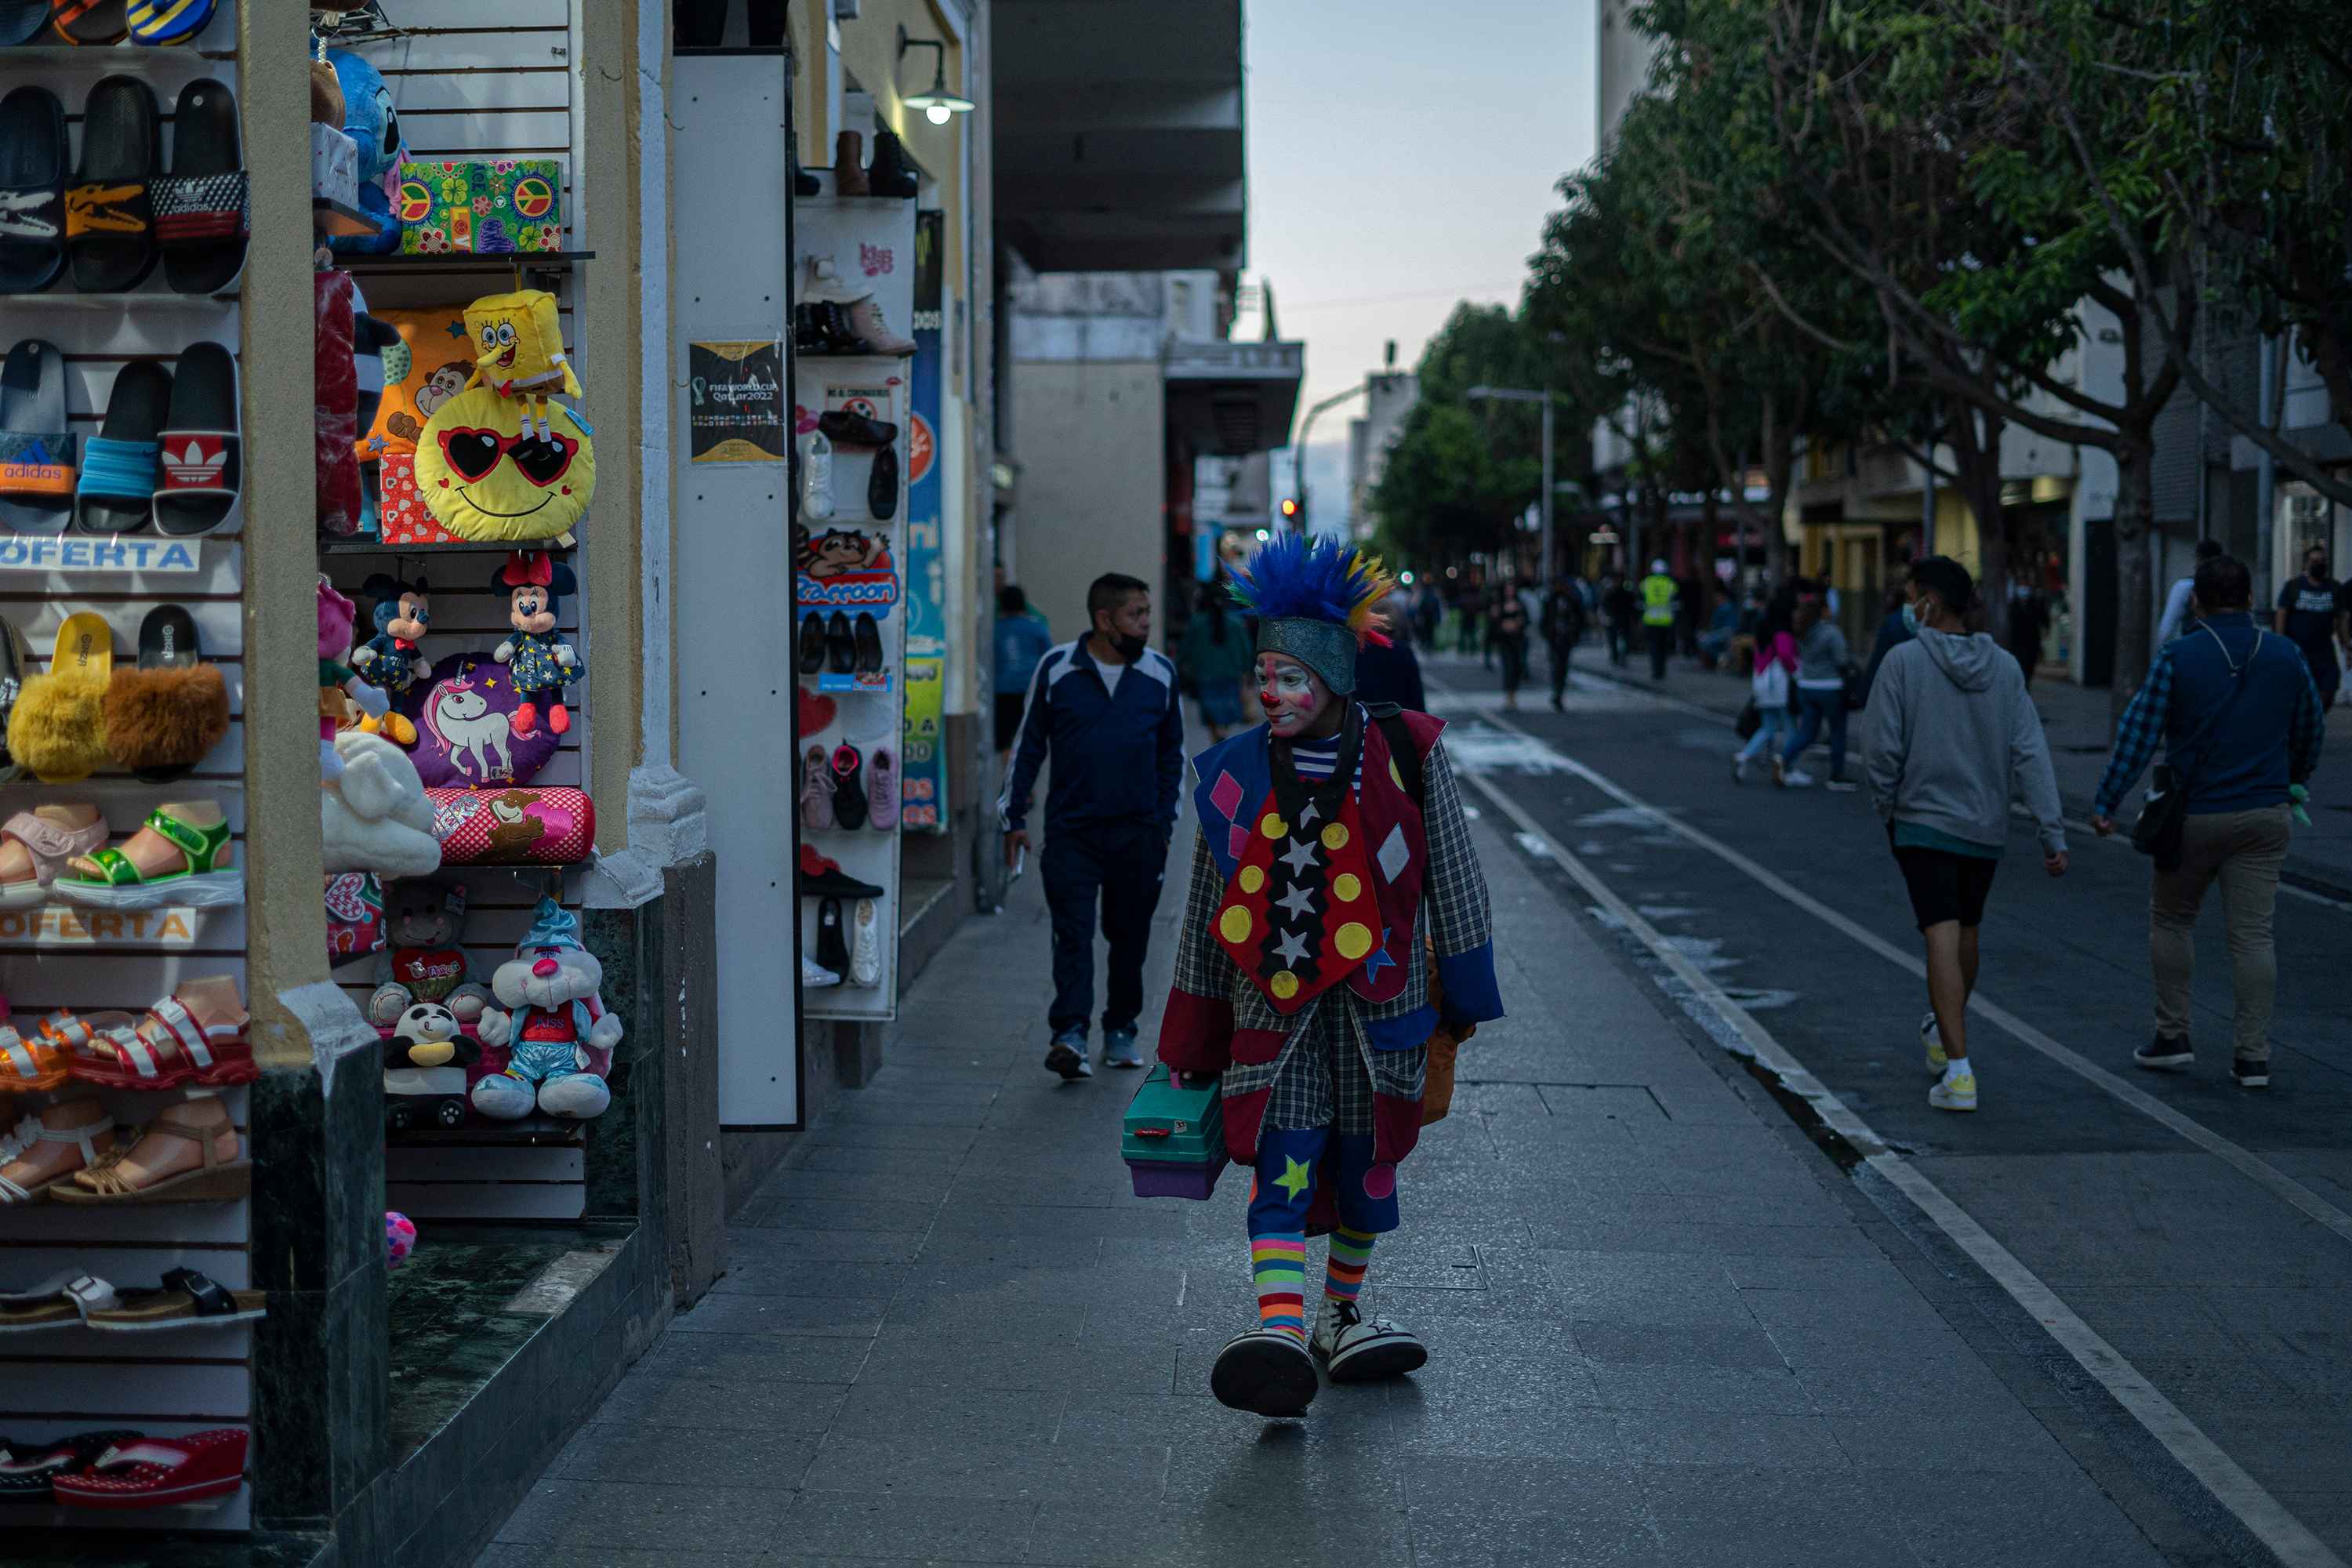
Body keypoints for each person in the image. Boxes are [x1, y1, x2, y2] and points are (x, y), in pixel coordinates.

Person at [1156, 534, 1501, 1418]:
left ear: (1334, 678)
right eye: (1263, 674)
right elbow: (1204, 913)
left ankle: (1339, 1313)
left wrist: (1461, 996)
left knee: (1367, 1163)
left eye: (1289, 676)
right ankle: (1279, 1326)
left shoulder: (1409, 754)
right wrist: (1189, 1041)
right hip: (1271, 1013)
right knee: (1284, 1161)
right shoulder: (1233, 774)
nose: (1271, 692)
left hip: (1380, 1009)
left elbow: (1455, 877)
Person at [2092, 553, 2325, 1091]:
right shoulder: (2286, 654)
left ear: (2196, 600)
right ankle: (2253, 1057)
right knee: (2253, 936)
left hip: (2195, 815)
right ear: (2249, 598)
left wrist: (2105, 803)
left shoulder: (2179, 656)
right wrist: (2290, 780)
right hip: (2266, 814)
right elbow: (2309, 730)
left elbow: (2138, 735)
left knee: (2172, 919)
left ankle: (2173, 1036)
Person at [1860, 557, 2067, 1113]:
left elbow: (1879, 746)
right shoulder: (2004, 668)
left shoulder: (1903, 663)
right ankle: (1944, 1035)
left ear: (1929, 600)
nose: (1907, 606)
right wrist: (2053, 830)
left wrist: (1888, 804)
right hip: (1983, 826)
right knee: (1964, 931)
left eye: (1911, 596)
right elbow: (2029, 749)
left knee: (1940, 937)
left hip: (1923, 821)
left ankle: (1959, 1073)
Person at [998, 573, 1185, 1079]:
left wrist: (1164, 825)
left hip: (1138, 835)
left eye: (1147, 613)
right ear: (1105, 620)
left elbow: (1174, 757)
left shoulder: (1161, 674)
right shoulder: (1057, 668)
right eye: (1136, 615)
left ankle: (1121, 1029)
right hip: (1071, 834)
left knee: (1130, 937)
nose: (1146, 623)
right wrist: (1013, 816)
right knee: (1073, 934)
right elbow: (1028, 744)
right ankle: (1070, 1035)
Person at [1781, 595, 1856, 789]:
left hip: (1807, 686)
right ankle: (1836, 775)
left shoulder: (1801, 632)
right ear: (1823, 611)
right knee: (1838, 731)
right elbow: (1842, 660)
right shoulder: (1831, 633)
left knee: (1807, 732)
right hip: (1830, 686)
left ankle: (1784, 758)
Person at [2274, 543, 2348, 710]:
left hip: (2325, 651)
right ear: (2306, 564)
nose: (2319, 564)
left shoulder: (2334, 587)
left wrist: (2346, 645)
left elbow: (2342, 618)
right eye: (2314, 561)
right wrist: (2279, 642)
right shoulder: (2293, 586)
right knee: (2298, 691)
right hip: (2298, 650)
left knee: (2329, 689)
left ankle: (2316, 716)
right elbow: (2282, 613)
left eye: (2323, 561)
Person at [1178, 583, 1255, 742]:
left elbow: (1185, 649)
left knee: (1211, 715)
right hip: (1231, 675)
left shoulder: (1197, 622)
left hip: (1205, 676)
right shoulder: (1236, 622)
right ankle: (1222, 737)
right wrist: (1248, 674)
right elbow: (1246, 650)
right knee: (1227, 714)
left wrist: (1182, 667)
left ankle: (1217, 740)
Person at [1731, 616, 1798, 785]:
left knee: (1767, 727)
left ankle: (1744, 756)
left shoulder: (1760, 640)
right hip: (1779, 688)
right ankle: (1788, 766)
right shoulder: (1781, 635)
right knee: (1791, 728)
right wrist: (1796, 672)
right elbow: (1786, 656)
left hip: (1762, 685)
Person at [992, 585, 1053, 761]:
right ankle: (1026, 784)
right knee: (1029, 738)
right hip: (1031, 690)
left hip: (1002, 691)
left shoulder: (996, 629)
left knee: (1005, 741)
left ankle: (1011, 780)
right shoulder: (1036, 627)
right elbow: (1048, 658)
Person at [1352, 603, 1425, 711]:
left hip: (1365, 718)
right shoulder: (1403, 651)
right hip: (1398, 718)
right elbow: (1415, 693)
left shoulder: (1356, 651)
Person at [2156, 538, 2225, 646]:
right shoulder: (2228, 586)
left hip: (2194, 648)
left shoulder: (2185, 587)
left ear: (2198, 559)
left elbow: (2165, 632)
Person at [1542, 572, 1588, 710]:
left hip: (1566, 638)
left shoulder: (1572, 599)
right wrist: (1546, 633)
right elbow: (1545, 618)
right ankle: (1557, 690)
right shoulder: (1550, 599)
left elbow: (1580, 618)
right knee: (1555, 665)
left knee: (1562, 666)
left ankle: (1558, 692)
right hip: (1554, 637)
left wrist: (1575, 634)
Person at [1861, 582, 1913, 699]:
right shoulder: (1907, 620)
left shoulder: (1892, 623)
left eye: (1888, 597)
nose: (1885, 601)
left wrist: (1864, 692)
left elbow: (1878, 658)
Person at [1490, 582, 1530, 710]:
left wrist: (1518, 623)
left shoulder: (1520, 605)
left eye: (1512, 590)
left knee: (1517, 667)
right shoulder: (1499, 605)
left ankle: (1514, 694)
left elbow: (1526, 620)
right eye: (1508, 590)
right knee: (1508, 667)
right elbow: (1493, 623)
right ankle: (1509, 696)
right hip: (1505, 641)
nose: (1510, 592)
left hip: (1517, 641)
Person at [1639, 558, 1679, 680]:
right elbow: (1676, 602)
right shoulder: (1671, 584)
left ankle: (1655, 671)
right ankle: (1661, 671)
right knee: (1663, 648)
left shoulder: (1646, 583)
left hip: (1650, 620)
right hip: (1666, 621)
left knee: (1654, 647)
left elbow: (1640, 600)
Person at [2006, 584, 2049, 689]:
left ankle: (2026, 682)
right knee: (2021, 662)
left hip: (2032, 640)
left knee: (2030, 662)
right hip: (2018, 641)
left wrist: (2047, 629)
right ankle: (2023, 683)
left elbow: (2043, 619)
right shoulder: (2013, 606)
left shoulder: (2035, 604)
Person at [1602, 573, 1636, 668]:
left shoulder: (1621, 593)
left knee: (1620, 640)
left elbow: (1631, 607)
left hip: (1620, 620)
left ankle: (1619, 657)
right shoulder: (1612, 593)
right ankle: (1617, 657)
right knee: (1616, 640)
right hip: (1616, 619)